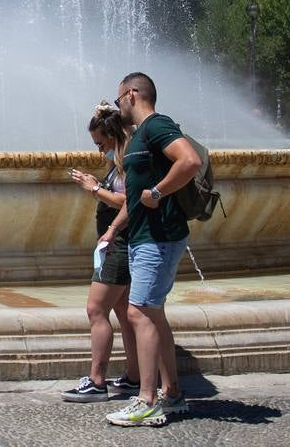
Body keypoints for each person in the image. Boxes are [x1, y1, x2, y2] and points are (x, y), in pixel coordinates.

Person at [100, 72, 200, 427]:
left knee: (139, 312)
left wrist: (157, 193)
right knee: (152, 313)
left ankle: (146, 400)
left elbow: (189, 161)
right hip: (147, 235)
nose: (117, 107)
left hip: (158, 238)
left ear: (131, 94)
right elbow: (135, 195)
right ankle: (172, 394)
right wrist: (116, 228)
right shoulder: (141, 134)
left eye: (117, 101)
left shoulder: (157, 125)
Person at [62, 103, 140, 402]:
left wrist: (93, 188)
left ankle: (97, 380)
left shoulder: (125, 164)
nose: (99, 150)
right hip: (119, 242)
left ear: (115, 137)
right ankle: (134, 377)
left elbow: (129, 202)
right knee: (124, 312)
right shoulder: (121, 162)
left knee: (96, 310)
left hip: (118, 243)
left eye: (101, 143)